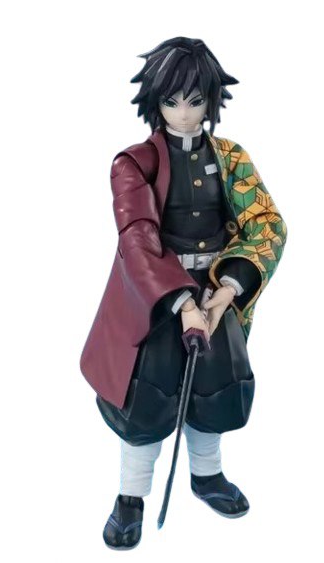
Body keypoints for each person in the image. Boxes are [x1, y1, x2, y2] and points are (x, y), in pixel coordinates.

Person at [80, 37, 287, 550]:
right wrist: (183, 304)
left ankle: (207, 474)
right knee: (146, 401)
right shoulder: (135, 163)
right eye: (172, 101)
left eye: (195, 100)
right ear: (156, 102)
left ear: (211, 100)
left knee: (215, 390)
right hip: (156, 298)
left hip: (216, 295)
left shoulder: (231, 157)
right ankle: (130, 496)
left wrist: (227, 289)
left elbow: (266, 222)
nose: (185, 112)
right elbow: (137, 237)